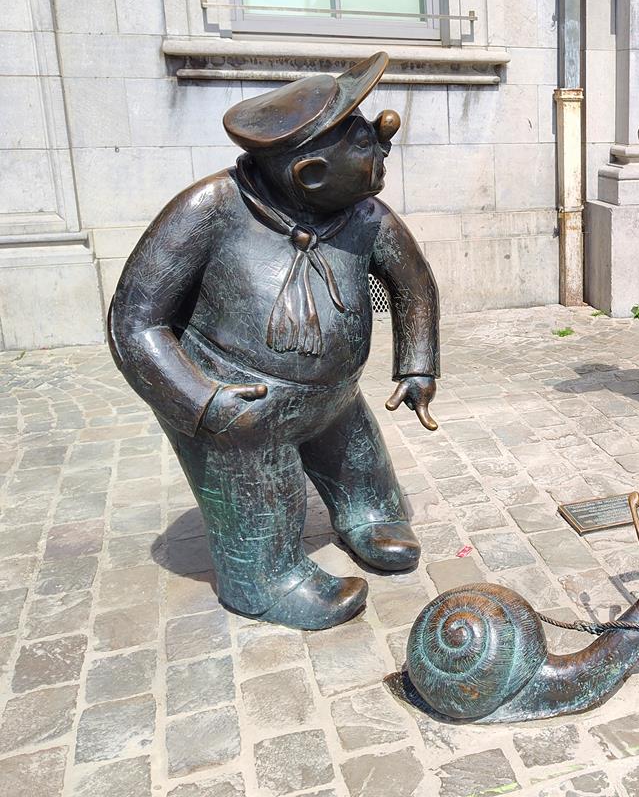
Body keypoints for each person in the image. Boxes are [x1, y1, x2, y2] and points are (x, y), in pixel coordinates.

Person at [109, 53, 440, 629]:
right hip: (240, 409)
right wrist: (201, 401)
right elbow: (134, 321)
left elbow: (414, 284)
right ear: (310, 174)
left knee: (357, 460)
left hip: (336, 398)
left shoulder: (365, 215)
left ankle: (366, 514)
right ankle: (263, 578)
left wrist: (416, 365)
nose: (384, 135)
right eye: (363, 141)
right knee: (258, 484)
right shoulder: (209, 209)